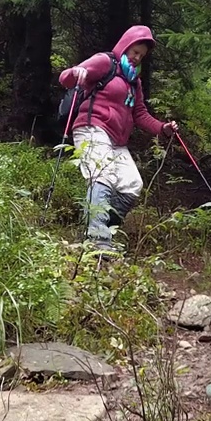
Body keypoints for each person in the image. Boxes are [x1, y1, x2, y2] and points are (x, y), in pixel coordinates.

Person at [58, 25, 178, 253]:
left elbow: (140, 115)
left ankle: (102, 229)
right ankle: (97, 238)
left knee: (132, 185)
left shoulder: (134, 81)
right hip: (92, 129)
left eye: (141, 55)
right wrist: (75, 73)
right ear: (126, 45)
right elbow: (66, 78)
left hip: (116, 140)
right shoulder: (105, 62)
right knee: (102, 175)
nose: (137, 57)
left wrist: (163, 129)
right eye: (135, 51)